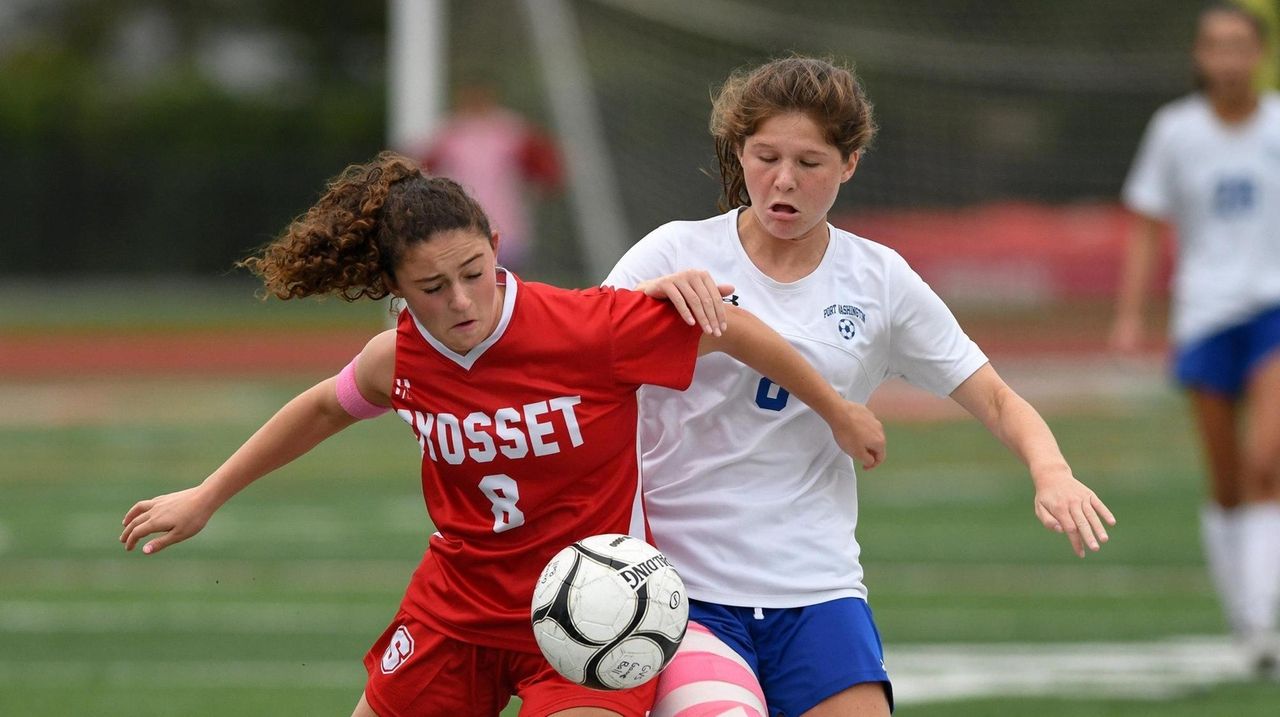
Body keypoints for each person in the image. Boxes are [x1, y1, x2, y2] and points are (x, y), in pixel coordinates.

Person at [117, 152, 886, 717]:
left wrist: (836, 408)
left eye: (474, 270)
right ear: (394, 289)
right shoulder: (401, 356)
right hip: (453, 613)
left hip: (590, 618)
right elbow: (322, 407)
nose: (460, 299)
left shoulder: (590, 328)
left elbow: (734, 330)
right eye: (431, 287)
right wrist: (206, 495)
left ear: (495, 243)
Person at [605, 56, 1117, 716]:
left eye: (810, 163)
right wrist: (645, 301)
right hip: (683, 587)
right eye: (765, 157)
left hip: (818, 588)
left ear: (849, 163)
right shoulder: (673, 254)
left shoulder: (879, 280)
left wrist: (1053, 471)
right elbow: (576, 356)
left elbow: (992, 394)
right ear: (740, 151)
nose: (783, 180)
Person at [1110, 3, 1280, 676]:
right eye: (1216, 45)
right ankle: (1246, 617)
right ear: (1200, 56)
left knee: (1267, 458)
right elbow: (1148, 225)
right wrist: (1130, 314)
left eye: (1241, 45)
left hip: (1273, 308)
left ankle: (1267, 616)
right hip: (1204, 315)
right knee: (1226, 478)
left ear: (1260, 53)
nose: (1228, 58)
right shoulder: (1174, 130)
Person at [417, 80, 562, 274]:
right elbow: (423, 168)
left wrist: (538, 187)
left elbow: (546, 168)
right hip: (460, 222)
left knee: (504, 284)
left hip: (506, 223)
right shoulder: (451, 133)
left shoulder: (511, 131)